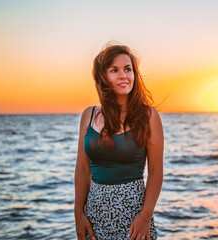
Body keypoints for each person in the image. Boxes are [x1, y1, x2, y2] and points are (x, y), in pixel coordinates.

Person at [74, 43, 164, 240]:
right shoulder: (88, 115)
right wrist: (78, 214)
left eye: (128, 69)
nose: (124, 75)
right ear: (102, 77)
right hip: (94, 218)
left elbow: (156, 170)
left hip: (134, 219)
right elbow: (82, 167)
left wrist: (145, 217)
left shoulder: (148, 116)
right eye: (114, 70)